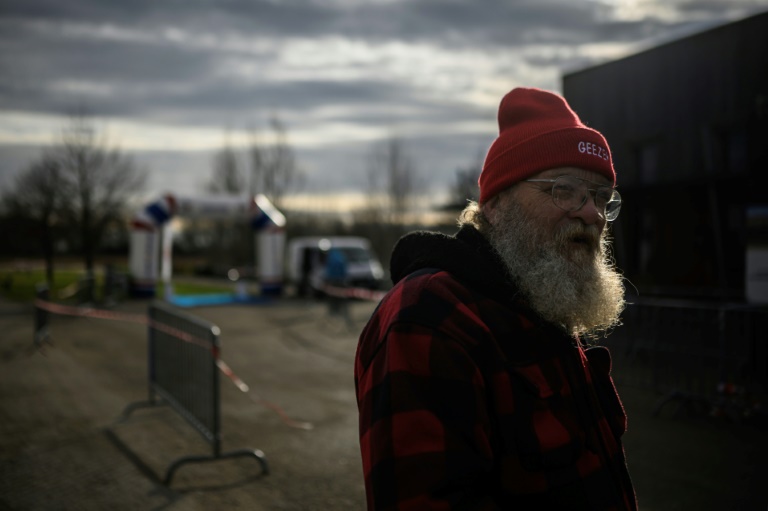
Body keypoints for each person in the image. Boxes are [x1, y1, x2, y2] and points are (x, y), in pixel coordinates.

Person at [354, 87, 637, 510]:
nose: (591, 213)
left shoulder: (541, 302)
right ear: (498, 203)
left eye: (600, 196)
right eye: (565, 190)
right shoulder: (429, 318)